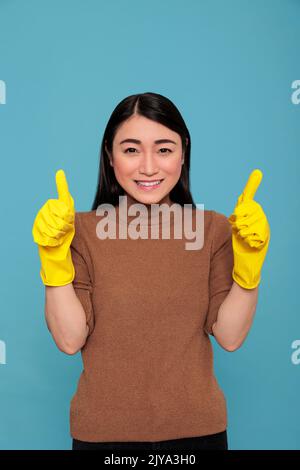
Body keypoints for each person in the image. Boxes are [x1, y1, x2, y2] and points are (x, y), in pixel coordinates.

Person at [32, 92, 270, 451]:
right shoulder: (75, 230)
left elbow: (231, 337)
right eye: (131, 150)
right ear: (110, 156)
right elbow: (69, 340)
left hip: (199, 434)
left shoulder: (215, 230)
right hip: (102, 437)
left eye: (164, 149)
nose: (148, 167)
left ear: (183, 152)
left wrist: (249, 264)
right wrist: (53, 257)